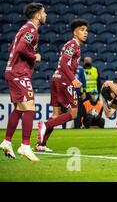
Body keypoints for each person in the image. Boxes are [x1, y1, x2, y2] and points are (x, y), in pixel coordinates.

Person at [1, 3, 47, 162]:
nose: (45, 15)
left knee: (19, 108)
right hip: (19, 73)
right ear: (37, 15)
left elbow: (11, 48)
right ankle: (25, 146)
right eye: (44, 12)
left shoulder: (23, 29)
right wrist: (35, 56)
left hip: (12, 71)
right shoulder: (31, 29)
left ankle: (7, 141)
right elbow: (20, 48)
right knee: (30, 108)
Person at [36, 19, 89, 152]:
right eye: (82, 30)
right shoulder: (73, 45)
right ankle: (45, 125)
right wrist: (73, 79)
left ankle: (41, 144)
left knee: (56, 115)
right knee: (73, 113)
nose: (85, 32)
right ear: (74, 32)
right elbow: (64, 63)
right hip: (65, 80)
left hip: (56, 79)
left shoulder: (71, 45)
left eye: (86, 30)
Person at [74, 64, 87, 129]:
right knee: (65, 110)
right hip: (67, 91)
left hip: (77, 92)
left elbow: (83, 80)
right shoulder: (66, 66)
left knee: (78, 110)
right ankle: (63, 128)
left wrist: (84, 91)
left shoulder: (80, 69)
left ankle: (77, 126)